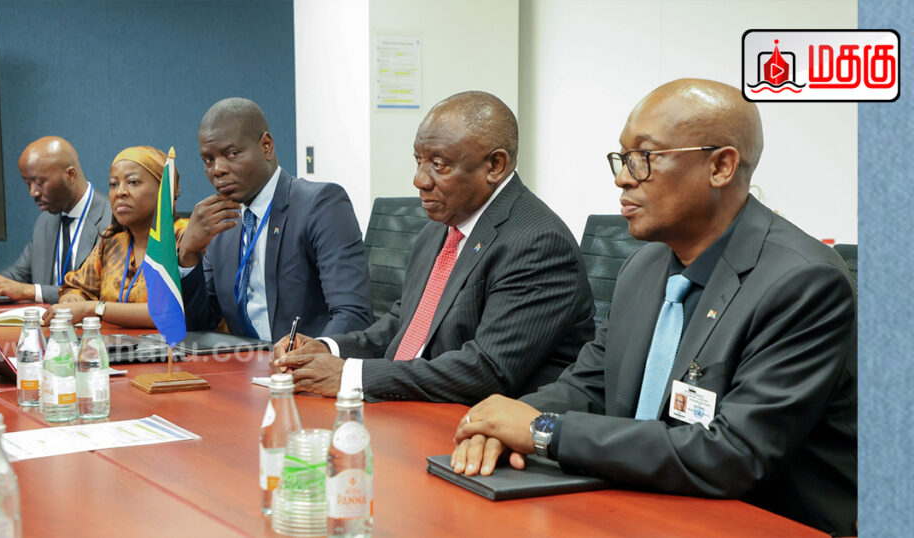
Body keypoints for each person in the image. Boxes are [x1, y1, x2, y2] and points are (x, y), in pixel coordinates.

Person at [451, 79, 856, 536]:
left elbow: (733, 454)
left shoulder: (802, 282)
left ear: (720, 166)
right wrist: (497, 424)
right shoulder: (643, 268)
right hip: (641, 505)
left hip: (760, 522)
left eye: (644, 157)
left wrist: (545, 431)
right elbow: (589, 386)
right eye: (623, 158)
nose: (623, 177)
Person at [272, 91, 596, 405]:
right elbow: (404, 325)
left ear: (495, 166)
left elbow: (487, 370)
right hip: (418, 408)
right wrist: (328, 349)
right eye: (419, 161)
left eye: (438, 164)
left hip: (484, 426)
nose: (419, 179)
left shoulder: (538, 244)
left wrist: (351, 376)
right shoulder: (439, 228)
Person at [178, 97, 373, 341]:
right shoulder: (222, 223)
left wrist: (310, 356)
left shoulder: (320, 204)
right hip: (242, 361)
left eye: (232, 154)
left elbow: (353, 314)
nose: (218, 169)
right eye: (208, 160)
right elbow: (200, 324)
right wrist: (188, 253)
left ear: (266, 146)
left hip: (303, 361)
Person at [0, 136, 110, 303]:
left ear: (70, 175)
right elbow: (17, 276)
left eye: (40, 182)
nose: (33, 193)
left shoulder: (112, 220)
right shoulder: (45, 221)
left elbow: (99, 292)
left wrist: (32, 291)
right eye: (27, 183)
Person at [44, 146, 180, 327]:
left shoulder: (182, 238)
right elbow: (77, 288)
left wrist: (93, 309)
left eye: (133, 182)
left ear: (164, 189)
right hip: (113, 343)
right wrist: (73, 301)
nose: (120, 192)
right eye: (113, 185)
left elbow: (171, 312)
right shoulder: (112, 241)